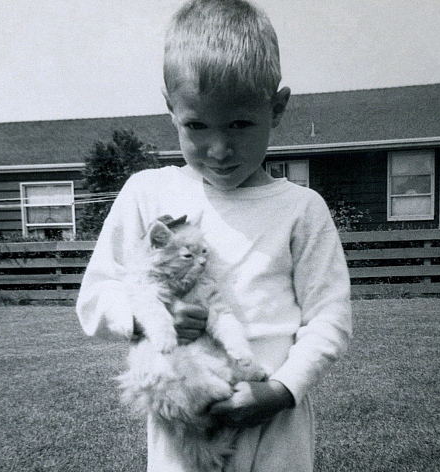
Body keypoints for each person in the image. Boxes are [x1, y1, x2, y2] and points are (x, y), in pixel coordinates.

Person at [76, 0, 352, 470]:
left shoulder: (302, 209)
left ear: (277, 107)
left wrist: (280, 390)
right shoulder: (147, 193)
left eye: (241, 124)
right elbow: (95, 298)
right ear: (171, 110)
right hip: (184, 422)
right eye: (196, 125)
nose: (219, 149)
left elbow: (330, 317)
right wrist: (147, 317)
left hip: (273, 422)